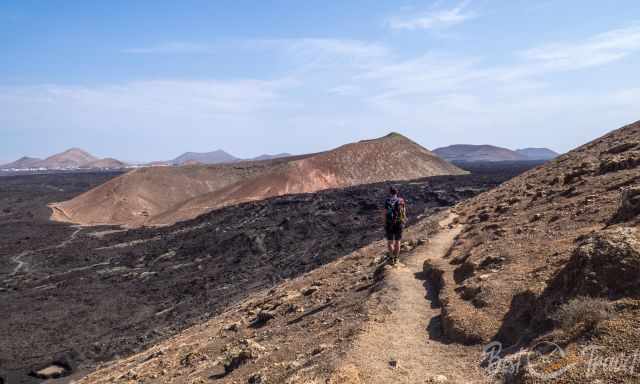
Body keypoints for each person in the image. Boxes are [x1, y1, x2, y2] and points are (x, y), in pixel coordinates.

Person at [384, 186, 407, 265]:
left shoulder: (387, 201)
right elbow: (404, 211)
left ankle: (391, 258)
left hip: (389, 223)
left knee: (390, 241)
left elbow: (385, 212)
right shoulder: (401, 200)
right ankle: (396, 258)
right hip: (399, 223)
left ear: (390, 192)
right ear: (397, 192)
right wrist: (403, 220)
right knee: (398, 241)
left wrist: (385, 222)